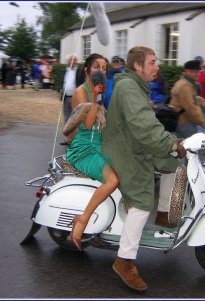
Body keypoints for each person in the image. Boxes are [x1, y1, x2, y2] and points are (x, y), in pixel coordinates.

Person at [102, 46, 186, 291]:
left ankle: (164, 215)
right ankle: (124, 261)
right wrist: (170, 142)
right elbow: (143, 124)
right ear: (137, 66)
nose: (155, 67)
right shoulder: (129, 87)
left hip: (135, 144)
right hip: (124, 150)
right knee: (141, 200)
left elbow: (146, 122)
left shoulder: (135, 86)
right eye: (151, 63)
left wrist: (171, 143)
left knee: (174, 163)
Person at [66, 53, 119, 251]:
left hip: (100, 145)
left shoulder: (100, 91)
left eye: (104, 68)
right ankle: (82, 220)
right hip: (84, 148)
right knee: (113, 180)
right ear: (87, 69)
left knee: (130, 169)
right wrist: (97, 99)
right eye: (97, 67)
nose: (101, 71)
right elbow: (88, 125)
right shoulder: (81, 92)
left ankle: (110, 225)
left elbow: (103, 122)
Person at [169, 60, 205, 139]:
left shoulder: (188, 83)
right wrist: (204, 123)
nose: (197, 74)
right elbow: (191, 108)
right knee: (196, 144)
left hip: (187, 120)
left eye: (198, 72)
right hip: (183, 122)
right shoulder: (185, 86)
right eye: (194, 72)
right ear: (187, 71)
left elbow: (197, 99)